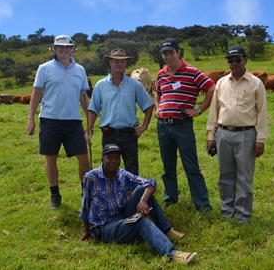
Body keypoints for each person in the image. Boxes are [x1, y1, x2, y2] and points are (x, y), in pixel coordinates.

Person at [80, 143, 197, 264]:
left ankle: (166, 229)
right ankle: (172, 254)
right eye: (109, 157)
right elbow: (85, 206)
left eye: (117, 157)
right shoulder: (91, 177)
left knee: (142, 190)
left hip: (122, 214)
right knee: (140, 221)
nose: (113, 161)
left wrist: (143, 200)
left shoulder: (122, 174)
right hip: (105, 226)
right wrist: (87, 231)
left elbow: (150, 183)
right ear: (102, 159)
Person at [206, 45, 269, 224]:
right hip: (223, 134)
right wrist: (211, 135)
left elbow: (262, 112)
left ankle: (243, 216)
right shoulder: (221, 82)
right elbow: (214, 110)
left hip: (246, 134)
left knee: (244, 177)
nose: (234, 63)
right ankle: (227, 212)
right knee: (225, 176)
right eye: (230, 60)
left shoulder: (256, 83)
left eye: (237, 60)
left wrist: (261, 138)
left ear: (245, 60)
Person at [27, 35, 91, 210]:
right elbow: (36, 94)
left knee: (83, 157)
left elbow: (83, 96)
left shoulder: (80, 70)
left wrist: (90, 121)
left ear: (72, 49)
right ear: (54, 49)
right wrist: (31, 119)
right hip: (50, 120)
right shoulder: (44, 68)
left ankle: (86, 192)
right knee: (51, 157)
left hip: (73, 121)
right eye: (60, 47)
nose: (64, 50)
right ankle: (55, 195)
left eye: (67, 47)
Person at [154, 38, 215, 212]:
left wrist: (199, 110)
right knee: (168, 167)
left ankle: (203, 205)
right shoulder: (161, 74)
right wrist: (158, 107)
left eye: (171, 53)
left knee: (191, 166)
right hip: (163, 126)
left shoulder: (192, 72)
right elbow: (157, 93)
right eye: (165, 54)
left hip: (182, 125)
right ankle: (170, 200)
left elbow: (211, 88)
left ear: (178, 53)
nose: (168, 57)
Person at [85, 48, 154, 175]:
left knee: (132, 171)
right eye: (116, 61)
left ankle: (131, 195)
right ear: (110, 63)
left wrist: (143, 127)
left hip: (129, 134)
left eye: (122, 61)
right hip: (109, 134)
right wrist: (89, 129)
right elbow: (93, 109)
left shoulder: (135, 85)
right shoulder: (101, 85)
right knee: (109, 170)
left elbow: (149, 105)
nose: (119, 64)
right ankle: (111, 194)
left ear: (126, 64)